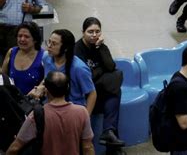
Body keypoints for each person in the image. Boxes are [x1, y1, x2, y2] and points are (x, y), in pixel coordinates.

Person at [6, 71, 95, 155]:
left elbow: (15, 147)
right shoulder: (82, 112)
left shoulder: (37, 115)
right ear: (67, 88)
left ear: (46, 90)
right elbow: (88, 147)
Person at [75, 17, 125, 147]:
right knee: (114, 88)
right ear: (83, 32)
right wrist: (100, 70)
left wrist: (100, 47)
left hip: (98, 90)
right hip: (84, 94)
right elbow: (85, 76)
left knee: (115, 86)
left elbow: (111, 67)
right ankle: (109, 133)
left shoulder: (101, 46)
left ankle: (109, 132)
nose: (94, 35)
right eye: (90, 31)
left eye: (97, 31)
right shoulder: (77, 49)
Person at [31, 30, 97, 114]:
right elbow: (47, 78)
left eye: (54, 44)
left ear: (65, 48)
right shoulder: (46, 57)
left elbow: (92, 94)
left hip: (73, 111)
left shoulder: (79, 68)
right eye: (49, 42)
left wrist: (85, 118)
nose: (49, 46)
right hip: (50, 107)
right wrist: (40, 87)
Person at [1, 22, 45, 95]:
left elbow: (47, 82)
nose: (22, 39)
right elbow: (2, 77)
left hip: (35, 103)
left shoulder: (44, 56)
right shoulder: (11, 52)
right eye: (19, 36)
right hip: (12, 102)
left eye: (26, 37)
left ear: (35, 39)